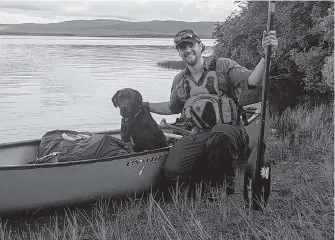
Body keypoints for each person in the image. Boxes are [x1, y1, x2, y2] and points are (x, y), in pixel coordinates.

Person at [143, 29, 278, 194]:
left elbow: (254, 80)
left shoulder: (223, 65)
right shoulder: (179, 79)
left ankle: (223, 186)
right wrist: (146, 106)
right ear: (179, 52)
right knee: (173, 169)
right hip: (198, 133)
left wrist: (266, 57)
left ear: (200, 46)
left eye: (191, 45)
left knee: (220, 134)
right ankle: (205, 175)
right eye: (182, 48)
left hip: (230, 130)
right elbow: (173, 108)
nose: (187, 50)